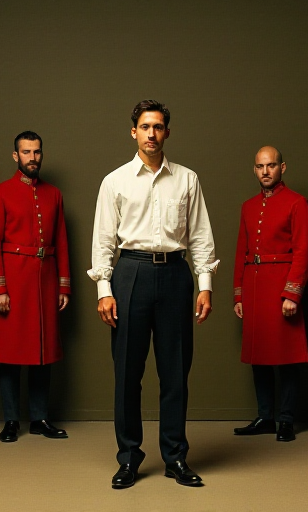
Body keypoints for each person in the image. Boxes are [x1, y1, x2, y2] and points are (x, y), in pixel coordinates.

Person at [90, 100, 218, 489]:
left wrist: (205, 285)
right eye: (145, 127)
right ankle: (129, 458)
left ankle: (176, 457)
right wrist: (104, 290)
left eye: (158, 127)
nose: (151, 133)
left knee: (175, 373)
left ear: (167, 132)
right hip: (130, 274)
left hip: (176, 276)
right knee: (127, 373)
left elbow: (200, 236)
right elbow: (103, 241)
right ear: (134, 132)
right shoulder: (115, 181)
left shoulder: (187, 179)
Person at [0, 131, 71, 442]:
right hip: (13, 282)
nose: (32, 158)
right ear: (15, 156)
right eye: (26, 152)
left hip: (45, 282)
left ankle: (40, 418)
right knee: (10, 356)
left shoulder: (54, 194)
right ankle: (11, 421)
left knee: (43, 354)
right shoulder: (0, 193)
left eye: (36, 152)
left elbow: (61, 240)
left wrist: (63, 286)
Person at [232, 146, 308, 442]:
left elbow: (304, 251)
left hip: (281, 286)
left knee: (287, 358)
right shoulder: (248, 206)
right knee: (259, 355)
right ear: (254, 170)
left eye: (271, 165)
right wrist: (238, 295)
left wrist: (293, 293)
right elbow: (242, 250)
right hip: (254, 287)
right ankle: (266, 416)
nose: (265, 171)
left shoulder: (297, 203)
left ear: (282, 167)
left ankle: (287, 420)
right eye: (260, 166)